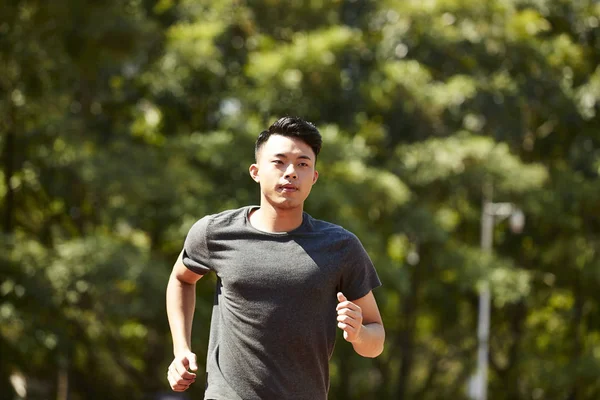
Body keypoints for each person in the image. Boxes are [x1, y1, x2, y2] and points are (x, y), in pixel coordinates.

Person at [166, 116, 385, 400]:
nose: (291, 172)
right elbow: (182, 279)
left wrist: (358, 334)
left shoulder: (340, 246)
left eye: (303, 164)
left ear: (314, 177)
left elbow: (375, 340)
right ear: (256, 171)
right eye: (279, 161)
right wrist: (181, 348)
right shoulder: (215, 232)